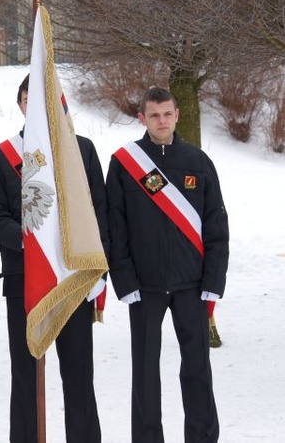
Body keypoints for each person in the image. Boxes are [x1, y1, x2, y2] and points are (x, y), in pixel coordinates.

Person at [0, 75, 108, 443]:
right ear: (20, 104)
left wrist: (97, 268)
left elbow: (98, 210)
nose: (36, 106)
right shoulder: (0, 157)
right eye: (29, 99)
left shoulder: (81, 151)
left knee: (79, 375)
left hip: (73, 279)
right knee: (25, 375)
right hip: (25, 279)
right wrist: (32, 244)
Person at [106, 87, 228, 443]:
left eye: (167, 114)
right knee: (145, 372)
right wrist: (124, 282)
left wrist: (212, 281)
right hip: (145, 287)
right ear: (142, 118)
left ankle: (203, 437)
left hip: (191, 285)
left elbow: (216, 226)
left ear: (177, 115)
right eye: (154, 115)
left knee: (198, 370)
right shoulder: (125, 163)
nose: (162, 121)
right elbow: (115, 228)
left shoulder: (199, 162)